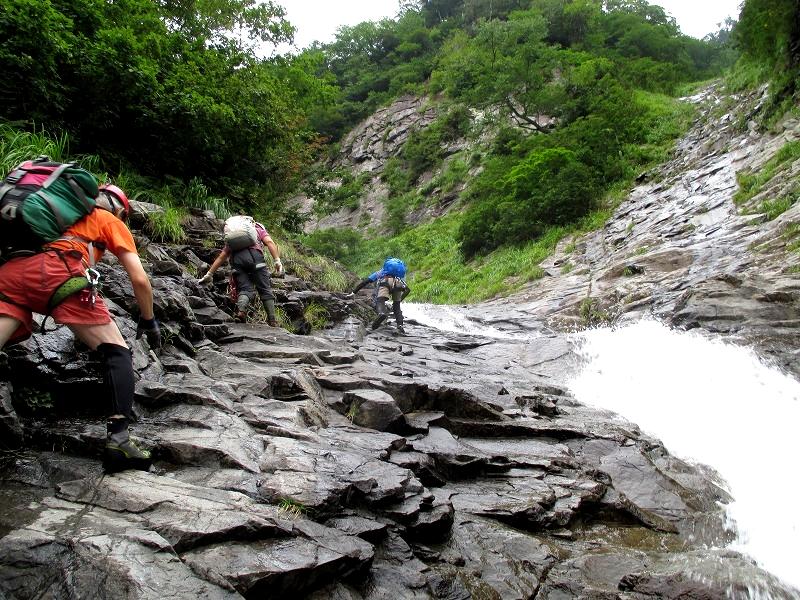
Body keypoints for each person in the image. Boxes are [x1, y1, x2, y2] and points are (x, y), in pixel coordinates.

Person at [0, 183, 160, 473]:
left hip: (11, 274)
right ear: (121, 209)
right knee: (117, 351)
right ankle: (119, 441)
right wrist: (148, 319)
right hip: (60, 273)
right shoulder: (108, 219)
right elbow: (139, 279)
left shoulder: (57, 215)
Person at [198, 216, 283, 326]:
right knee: (264, 289)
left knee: (245, 289)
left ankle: (241, 312)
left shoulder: (234, 237)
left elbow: (222, 256)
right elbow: (270, 243)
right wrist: (277, 260)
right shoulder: (258, 230)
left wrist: (209, 274)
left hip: (237, 262)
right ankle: (272, 321)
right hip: (256, 259)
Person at [353, 257, 410, 334]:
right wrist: (398, 301)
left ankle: (382, 313)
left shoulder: (381, 272)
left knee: (380, 301)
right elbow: (407, 290)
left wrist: (354, 292)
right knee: (397, 307)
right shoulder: (399, 277)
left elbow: (366, 282)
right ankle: (400, 326)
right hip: (397, 285)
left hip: (385, 283)